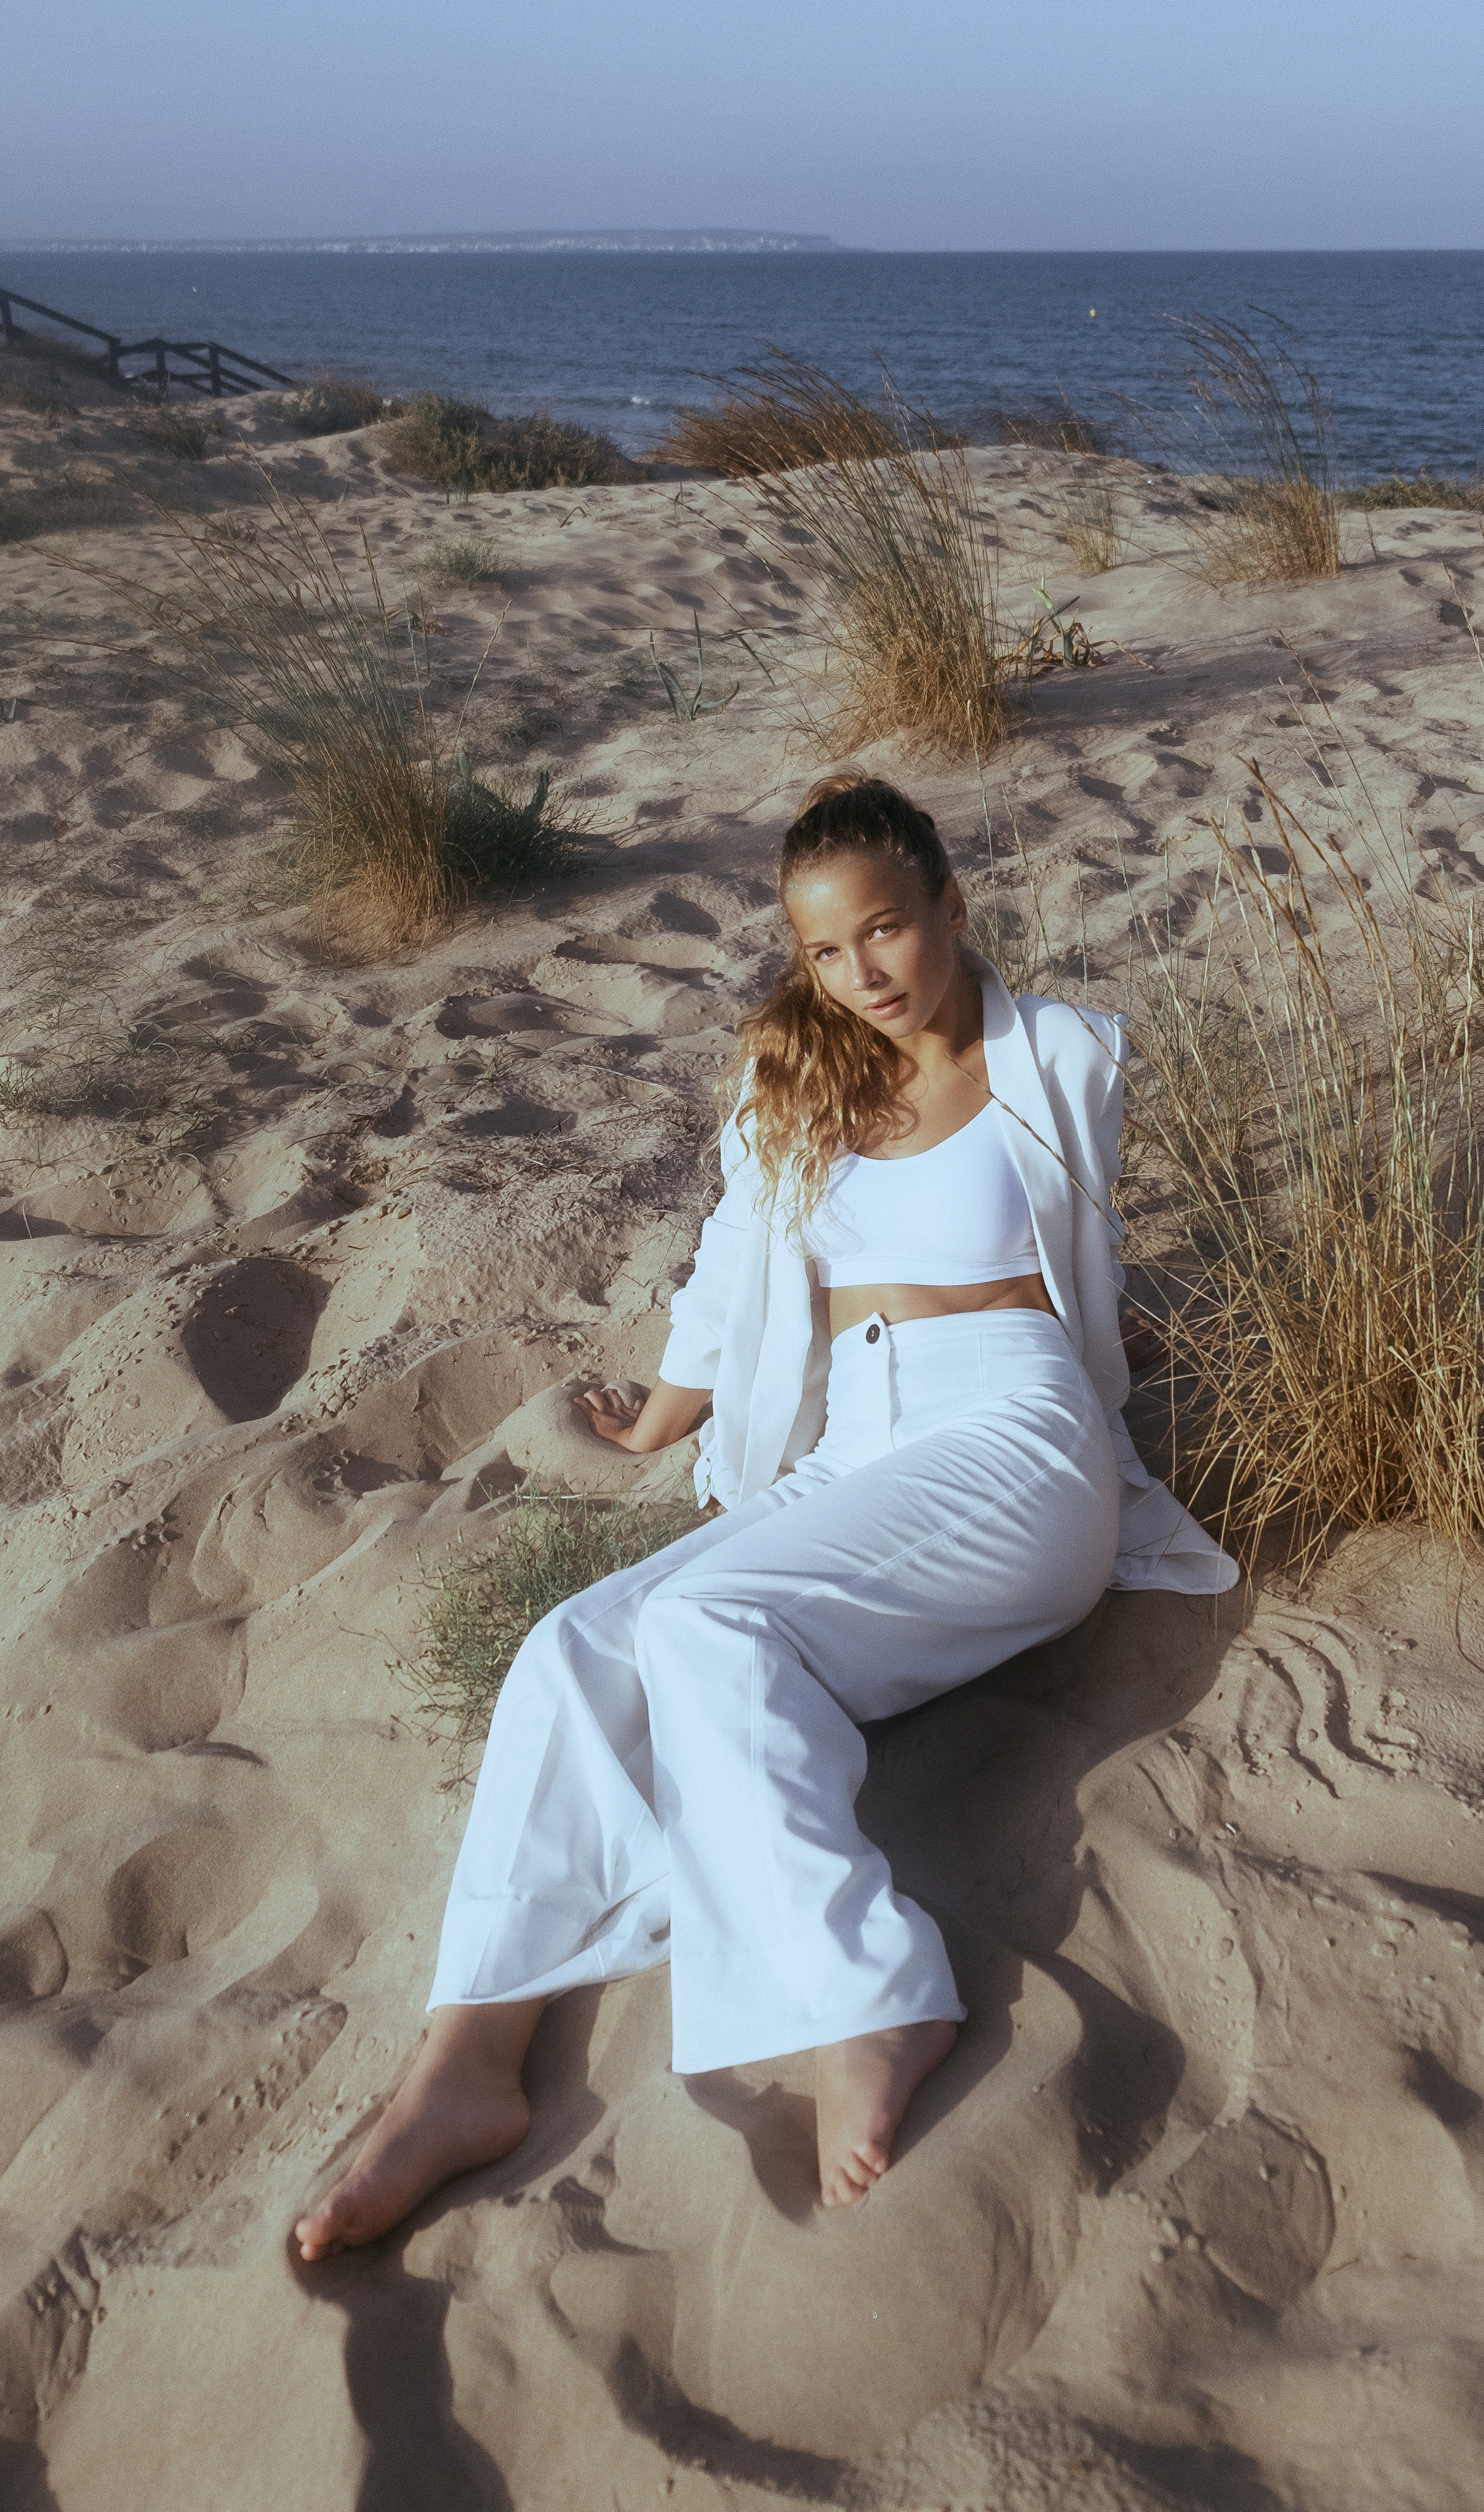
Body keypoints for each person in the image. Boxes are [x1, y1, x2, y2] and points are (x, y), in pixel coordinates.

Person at [294, 775, 1234, 2259]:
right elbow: (738, 1263)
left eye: (887, 931)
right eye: (826, 952)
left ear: (948, 911)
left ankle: (871, 1998)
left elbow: (1081, 1263)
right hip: (848, 1445)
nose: (865, 973)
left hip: (1013, 1437)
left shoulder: (1056, 1053)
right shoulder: (786, 1080)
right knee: (568, 1650)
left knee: (707, 1623)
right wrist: (668, 1412)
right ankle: (464, 2067)